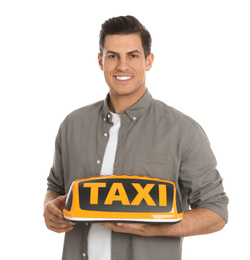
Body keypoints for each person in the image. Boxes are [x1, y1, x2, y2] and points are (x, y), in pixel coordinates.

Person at [44, 15, 229, 260]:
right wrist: (50, 209)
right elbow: (55, 188)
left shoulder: (182, 131)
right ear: (101, 61)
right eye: (113, 56)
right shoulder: (72, 125)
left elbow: (216, 212)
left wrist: (155, 228)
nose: (122, 66)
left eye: (132, 55)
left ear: (148, 61)